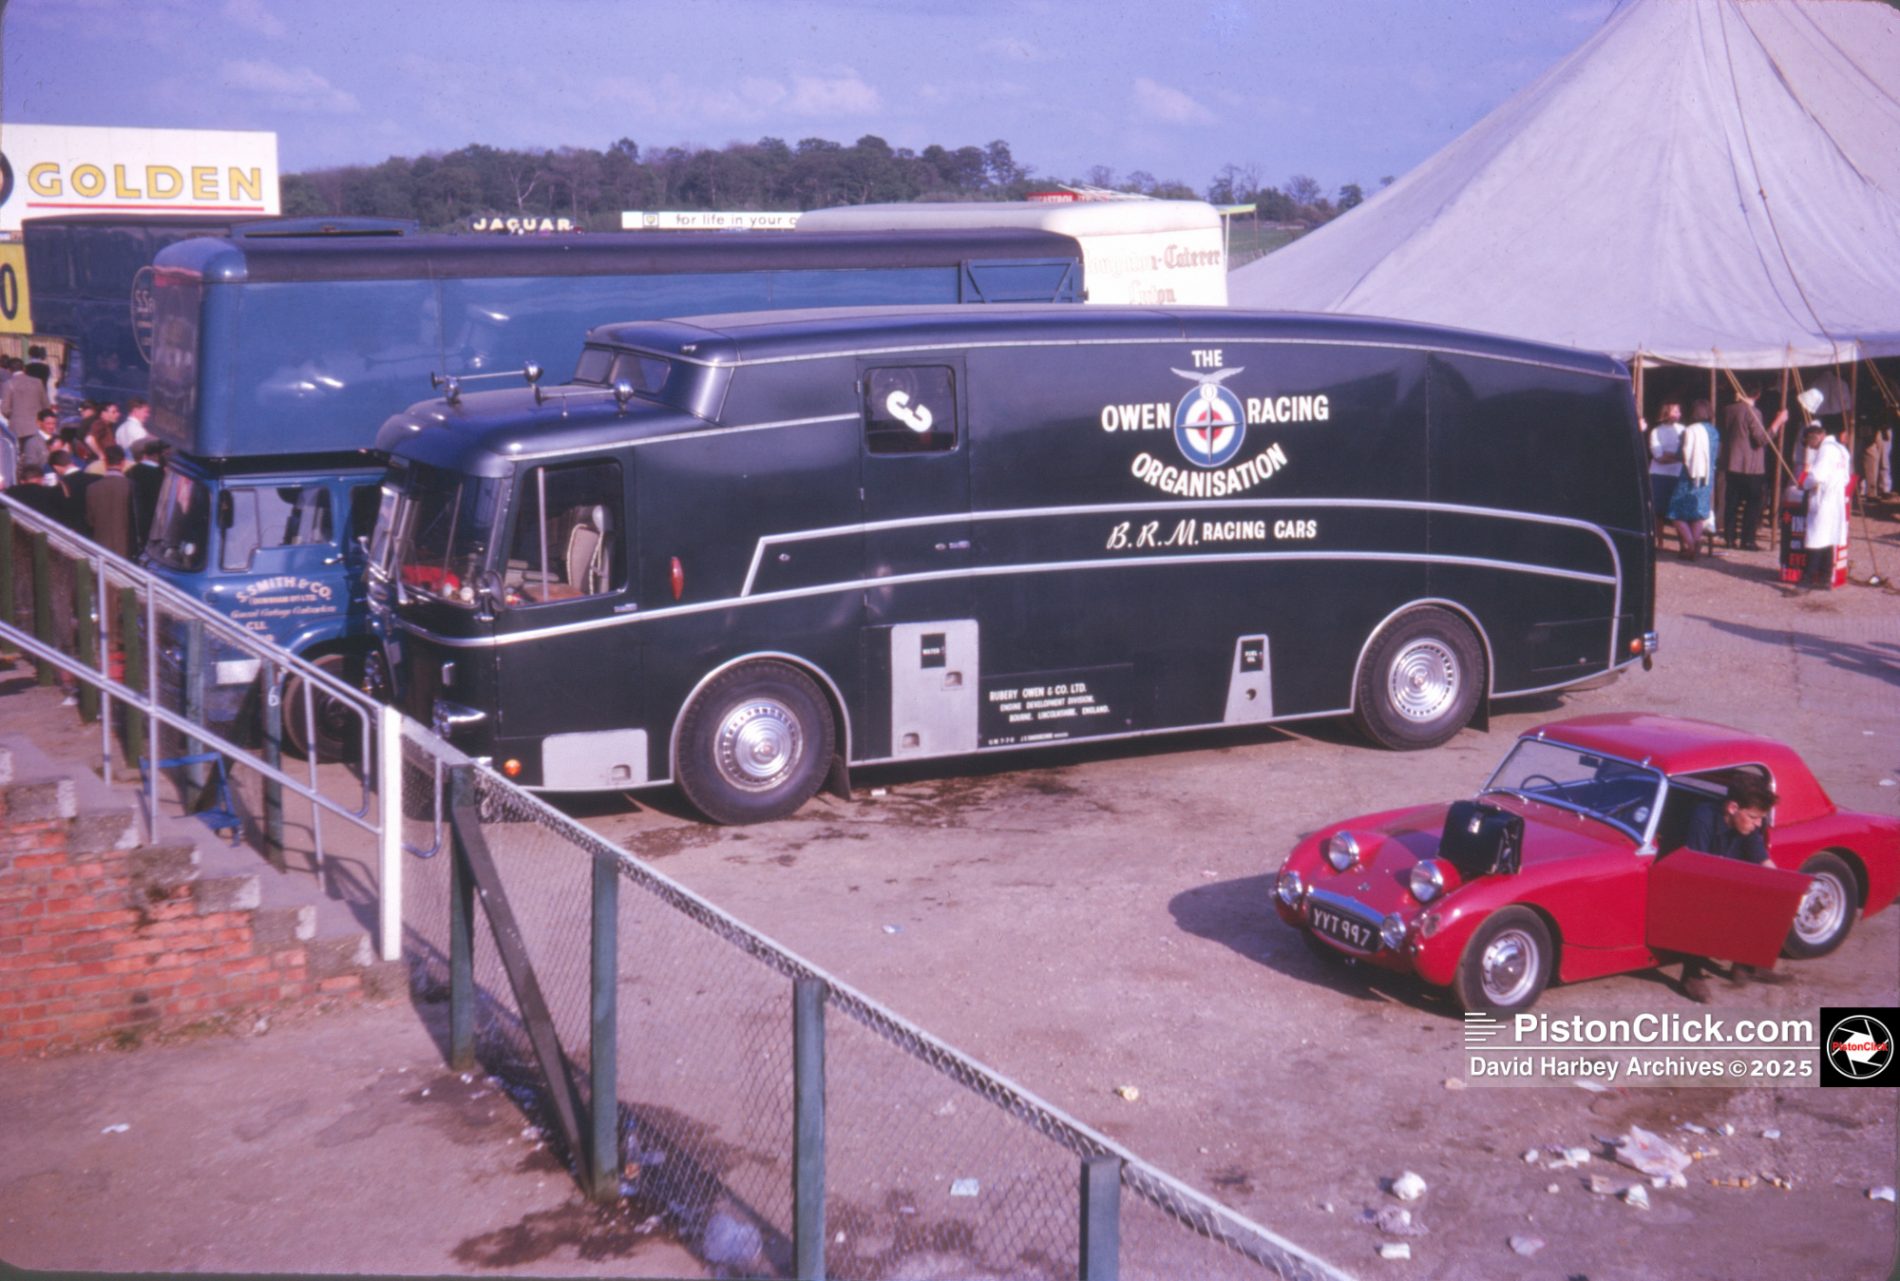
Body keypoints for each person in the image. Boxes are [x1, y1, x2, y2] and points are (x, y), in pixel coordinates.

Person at [1678, 777, 1791, 1002]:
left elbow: (1759, 854)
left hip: (1728, 876)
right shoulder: (1704, 817)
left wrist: (1782, 885)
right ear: (1732, 808)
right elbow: (1696, 866)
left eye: (1760, 818)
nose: (1758, 823)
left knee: (1768, 890)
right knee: (1700, 902)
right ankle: (1691, 972)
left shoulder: (1751, 825)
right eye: (1753, 817)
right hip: (1699, 878)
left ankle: (1746, 965)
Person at [1720, 382, 1785, 551]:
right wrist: (1777, 423)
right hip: (1750, 465)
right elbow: (1761, 439)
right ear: (1757, 394)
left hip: (1732, 462)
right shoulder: (1753, 412)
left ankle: (1729, 537)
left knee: (1732, 502)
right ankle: (1747, 540)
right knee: (1754, 503)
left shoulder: (1729, 409)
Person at [1799, 420, 1852, 588]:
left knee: (1815, 539)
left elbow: (1817, 476)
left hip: (1823, 499)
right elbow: (1846, 477)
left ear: (1815, 437)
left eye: (1809, 443)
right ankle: (1825, 578)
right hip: (1836, 498)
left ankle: (1806, 581)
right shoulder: (1841, 449)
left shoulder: (1826, 451)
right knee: (1828, 539)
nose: (1810, 448)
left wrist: (1804, 484)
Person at [1667, 399, 1716, 560]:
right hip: (1707, 477)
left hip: (1689, 476)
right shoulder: (1714, 432)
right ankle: (1694, 545)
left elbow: (1682, 455)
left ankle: (1691, 544)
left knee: (1675, 512)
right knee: (1698, 513)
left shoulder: (1688, 431)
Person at [85, 446, 134, 558]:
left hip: (101, 547)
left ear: (105, 462)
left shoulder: (92, 488)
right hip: (127, 548)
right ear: (123, 462)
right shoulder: (132, 486)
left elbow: (90, 520)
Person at [1647, 402, 1684, 547]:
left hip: (1677, 474)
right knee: (1658, 511)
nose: (1678, 414)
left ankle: (1682, 544)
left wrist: (1669, 455)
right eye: (1675, 411)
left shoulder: (1683, 430)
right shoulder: (1656, 431)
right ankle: (1660, 542)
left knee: (1678, 511)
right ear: (1667, 413)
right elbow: (1658, 457)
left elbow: (1685, 454)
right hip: (1658, 474)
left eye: (1679, 411)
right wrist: (1676, 457)